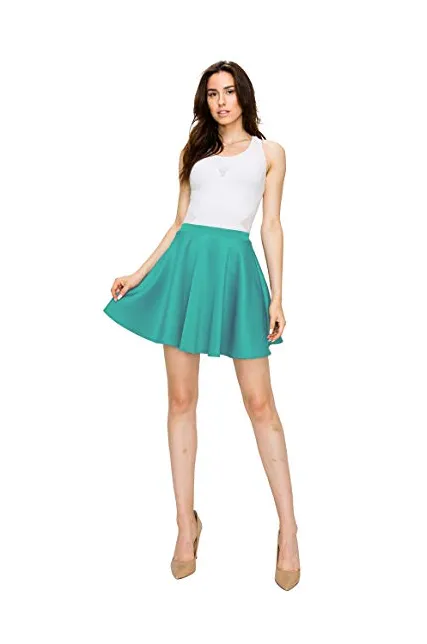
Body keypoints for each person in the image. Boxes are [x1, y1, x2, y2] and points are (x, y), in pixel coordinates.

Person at [103, 60, 300, 590]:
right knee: (180, 400)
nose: (221, 101)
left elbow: (272, 224)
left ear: (244, 97)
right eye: (212, 93)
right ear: (204, 100)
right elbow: (179, 223)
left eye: (229, 92)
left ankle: (288, 529)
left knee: (260, 403)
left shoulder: (270, 153)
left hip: (235, 271)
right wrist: (139, 273)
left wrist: (278, 295)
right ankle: (185, 526)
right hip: (185, 271)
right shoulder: (194, 152)